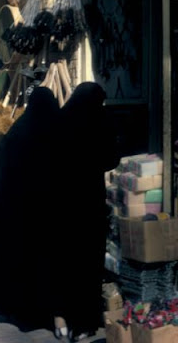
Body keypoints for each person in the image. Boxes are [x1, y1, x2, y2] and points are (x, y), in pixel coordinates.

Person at [0, 87, 60, 334]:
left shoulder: (16, 133)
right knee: (38, 264)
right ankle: (37, 312)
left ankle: (17, 309)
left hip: (13, 212)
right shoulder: (49, 135)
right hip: (40, 213)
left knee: (18, 262)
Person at [54, 82, 119, 341]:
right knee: (89, 264)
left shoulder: (62, 119)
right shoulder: (100, 120)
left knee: (66, 263)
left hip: (63, 204)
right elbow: (111, 158)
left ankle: (63, 318)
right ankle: (84, 323)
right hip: (89, 203)